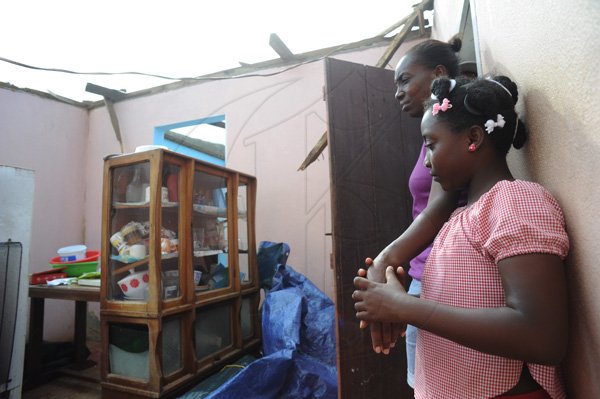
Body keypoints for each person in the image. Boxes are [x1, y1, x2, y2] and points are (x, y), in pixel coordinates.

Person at [353, 75, 569, 399]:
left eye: (431, 144)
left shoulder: (516, 201)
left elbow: (543, 336)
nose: (426, 161)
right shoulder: (460, 216)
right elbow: (471, 305)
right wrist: (394, 305)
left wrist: (406, 309)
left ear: (473, 137)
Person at [363, 37, 467, 390]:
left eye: (405, 79)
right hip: (426, 277)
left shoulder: (453, 129)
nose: (398, 92)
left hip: (445, 280)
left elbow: (437, 209)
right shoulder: (432, 134)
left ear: (438, 74)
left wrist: (383, 262)